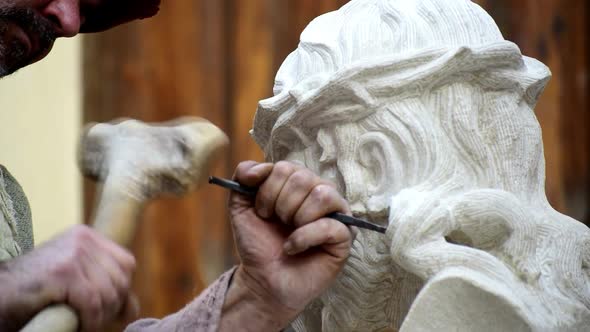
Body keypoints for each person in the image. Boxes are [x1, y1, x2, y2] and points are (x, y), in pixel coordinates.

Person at [0, 1, 353, 331]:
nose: (69, 22)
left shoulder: (6, 204)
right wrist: (13, 285)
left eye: (88, 12)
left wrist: (254, 298)